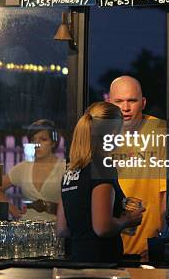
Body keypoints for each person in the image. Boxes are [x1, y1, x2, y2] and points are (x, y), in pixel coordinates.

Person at [56, 102, 144, 263]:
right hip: (102, 264)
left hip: (76, 261)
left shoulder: (70, 172)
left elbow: (62, 229)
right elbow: (102, 227)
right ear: (112, 132)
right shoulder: (103, 166)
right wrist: (127, 220)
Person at [108, 76, 166, 258]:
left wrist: (162, 240)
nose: (125, 108)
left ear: (143, 103)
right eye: (119, 101)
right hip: (109, 246)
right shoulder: (101, 135)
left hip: (147, 248)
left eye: (132, 101)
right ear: (109, 102)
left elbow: (167, 193)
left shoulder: (160, 132)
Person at [0, 119, 66, 220]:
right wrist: (12, 210)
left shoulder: (64, 167)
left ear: (53, 143)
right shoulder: (24, 167)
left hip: (56, 227)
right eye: (33, 140)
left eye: (43, 139)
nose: (37, 144)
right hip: (27, 228)